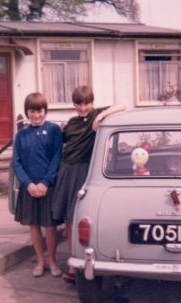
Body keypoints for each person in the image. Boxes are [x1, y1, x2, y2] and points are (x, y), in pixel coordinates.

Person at [52, 85, 126, 283]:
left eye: (86, 103)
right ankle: (71, 262)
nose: (83, 107)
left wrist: (101, 118)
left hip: (85, 170)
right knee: (69, 218)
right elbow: (62, 141)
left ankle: (81, 259)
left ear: (92, 102)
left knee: (82, 216)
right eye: (79, 104)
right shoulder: (72, 122)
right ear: (74, 104)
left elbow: (122, 106)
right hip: (67, 170)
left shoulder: (97, 116)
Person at [12, 92, 63, 278]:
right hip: (29, 189)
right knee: (33, 225)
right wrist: (28, 184)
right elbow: (16, 163)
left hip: (48, 187)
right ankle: (40, 262)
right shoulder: (22, 135)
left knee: (50, 227)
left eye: (40, 111)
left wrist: (45, 183)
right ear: (27, 112)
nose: (36, 115)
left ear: (45, 111)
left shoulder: (54, 130)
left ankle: (53, 261)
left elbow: (57, 158)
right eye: (32, 111)